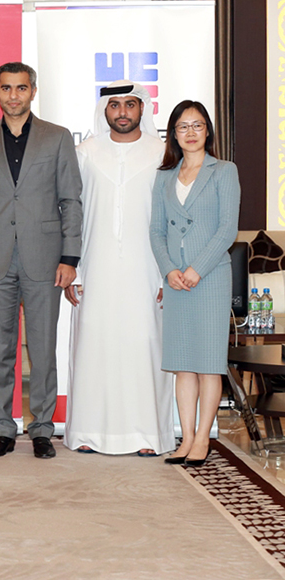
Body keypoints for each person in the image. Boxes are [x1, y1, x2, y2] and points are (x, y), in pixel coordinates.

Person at [0, 62, 82, 460]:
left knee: (43, 349)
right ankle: (3, 428)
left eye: (21, 88)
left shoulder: (57, 137)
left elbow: (71, 200)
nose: (13, 95)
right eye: (6, 88)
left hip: (46, 260)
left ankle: (42, 429)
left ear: (33, 91)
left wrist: (69, 256)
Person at [64, 80, 173, 456]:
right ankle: (88, 432)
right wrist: (74, 268)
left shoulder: (163, 153)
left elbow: (172, 217)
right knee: (94, 346)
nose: (122, 112)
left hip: (148, 269)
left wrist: (168, 271)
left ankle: (147, 436)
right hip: (95, 267)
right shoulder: (85, 153)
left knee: (144, 346)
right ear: (104, 110)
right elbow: (72, 214)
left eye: (130, 104)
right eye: (115, 105)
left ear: (143, 108)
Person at [149, 100, 240, 467]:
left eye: (197, 125)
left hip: (210, 277)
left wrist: (196, 269)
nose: (190, 132)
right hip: (176, 282)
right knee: (183, 362)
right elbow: (156, 230)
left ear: (208, 131)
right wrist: (169, 269)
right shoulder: (164, 176)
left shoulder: (224, 171)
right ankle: (185, 438)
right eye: (183, 126)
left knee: (208, 363)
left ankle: (203, 438)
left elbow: (227, 229)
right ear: (173, 133)